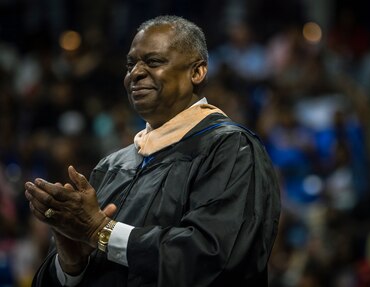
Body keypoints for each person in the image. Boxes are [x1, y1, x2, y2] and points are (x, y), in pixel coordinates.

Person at [24, 15, 281, 286]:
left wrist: (102, 232)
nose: (135, 73)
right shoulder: (112, 166)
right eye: (131, 64)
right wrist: (71, 265)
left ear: (197, 72)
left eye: (153, 61)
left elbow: (218, 259)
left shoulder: (231, 149)